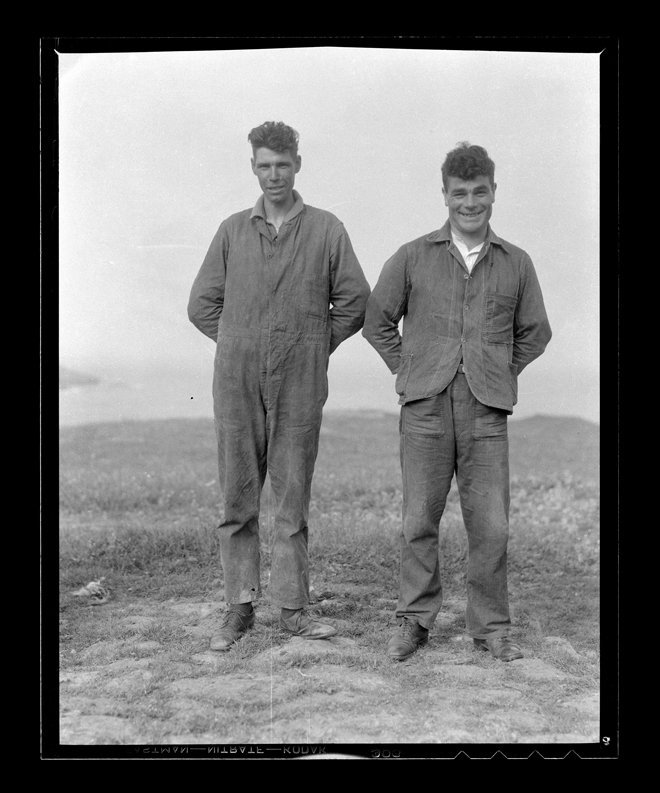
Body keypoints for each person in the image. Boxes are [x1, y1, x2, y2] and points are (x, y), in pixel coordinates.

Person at [363, 142, 552, 662]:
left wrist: (499, 370)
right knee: (418, 520)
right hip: (424, 407)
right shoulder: (412, 256)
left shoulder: (517, 263)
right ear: (444, 195)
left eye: (480, 192)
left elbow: (535, 332)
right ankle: (414, 622)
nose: (470, 202)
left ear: (494, 193)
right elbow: (377, 321)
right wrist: (407, 366)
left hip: (486, 412)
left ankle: (491, 628)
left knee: (491, 525)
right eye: (459, 193)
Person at [188, 121, 370, 651]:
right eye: (264, 165)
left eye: (283, 164)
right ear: (253, 167)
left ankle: (293, 610)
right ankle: (238, 608)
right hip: (237, 379)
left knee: (292, 498)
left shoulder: (327, 229)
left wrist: (312, 345)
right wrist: (240, 343)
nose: (274, 175)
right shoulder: (231, 231)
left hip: (299, 380)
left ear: (297, 164)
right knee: (237, 495)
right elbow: (202, 305)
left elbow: (354, 301)